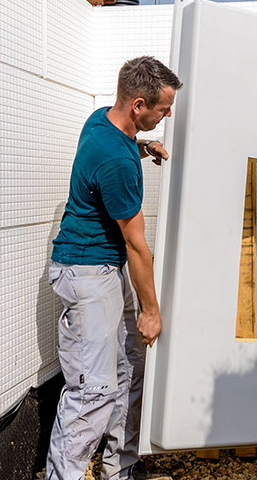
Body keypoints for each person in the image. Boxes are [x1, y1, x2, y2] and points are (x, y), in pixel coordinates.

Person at [46, 56, 182, 479]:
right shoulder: (116, 163)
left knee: (127, 368)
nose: (168, 114)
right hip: (88, 275)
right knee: (93, 392)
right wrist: (151, 311)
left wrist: (144, 147)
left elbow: (116, 148)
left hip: (101, 269)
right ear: (138, 105)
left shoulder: (103, 122)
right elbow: (137, 247)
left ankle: (117, 467)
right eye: (163, 108)